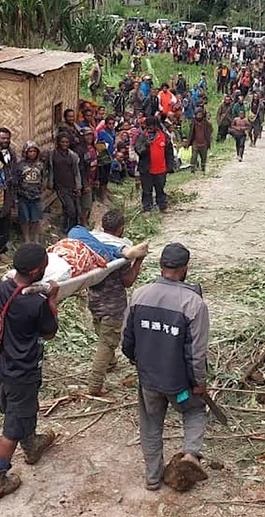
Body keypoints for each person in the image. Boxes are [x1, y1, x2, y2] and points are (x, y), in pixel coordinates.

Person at [122, 243, 210, 491]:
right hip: (179, 384)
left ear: (161, 267)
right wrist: (199, 383)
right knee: (193, 411)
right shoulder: (194, 304)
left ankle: (152, 477)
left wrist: (137, 361)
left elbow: (127, 339)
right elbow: (196, 353)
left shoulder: (139, 295)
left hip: (148, 379)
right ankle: (191, 454)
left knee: (151, 423)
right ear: (185, 269)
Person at [0, 243, 60, 500]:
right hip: (22, 372)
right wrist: (52, 301)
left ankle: (32, 444)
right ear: (38, 270)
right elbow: (49, 333)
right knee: (12, 426)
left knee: (20, 410)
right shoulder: (36, 304)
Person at [88, 210, 147, 396]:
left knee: (102, 333)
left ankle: (110, 362)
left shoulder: (93, 243)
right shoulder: (121, 249)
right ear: (121, 229)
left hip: (94, 300)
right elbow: (127, 281)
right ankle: (95, 384)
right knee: (107, 342)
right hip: (112, 305)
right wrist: (139, 261)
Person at [135, 116, 174, 214]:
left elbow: (169, 152)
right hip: (146, 169)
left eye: (151, 126)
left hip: (161, 169)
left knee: (160, 189)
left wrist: (170, 166)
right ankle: (147, 208)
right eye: (148, 126)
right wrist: (146, 146)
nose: (149, 128)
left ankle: (162, 206)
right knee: (147, 190)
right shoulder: (142, 136)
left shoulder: (164, 136)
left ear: (156, 126)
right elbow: (138, 150)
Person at [48, 133, 82, 233]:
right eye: (62, 142)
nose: (64, 144)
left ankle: (69, 228)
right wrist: (49, 182)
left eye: (67, 142)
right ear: (58, 142)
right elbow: (48, 168)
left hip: (72, 185)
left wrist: (78, 186)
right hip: (60, 185)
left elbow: (76, 171)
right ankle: (67, 228)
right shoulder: (52, 154)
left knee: (74, 208)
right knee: (70, 208)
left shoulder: (72, 155)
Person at [15, 142, 45, 244]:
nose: (32, 153)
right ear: (25, 152)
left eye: (34, 151)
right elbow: (17, 180)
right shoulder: (20, 166)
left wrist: (40, 190)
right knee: (25, 218)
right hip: (23, 196)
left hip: (36, 196)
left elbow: (42, 178)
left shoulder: (40, 165)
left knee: (36, 218)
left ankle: (36, 239)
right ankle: (27, 239)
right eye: (30, 151)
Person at [184, 108, 213, 174]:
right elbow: (190, 133)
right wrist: (188, 142)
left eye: (200, 114)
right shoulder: (193, 122)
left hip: (204, 142)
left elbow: (210, 130)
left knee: (203, 157)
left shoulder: (206, 122)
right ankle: (192, 169)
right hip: (195, 142)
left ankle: (203, 168)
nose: (199, 115)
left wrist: (208, 139)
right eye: (198, 114)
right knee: (194, 157)